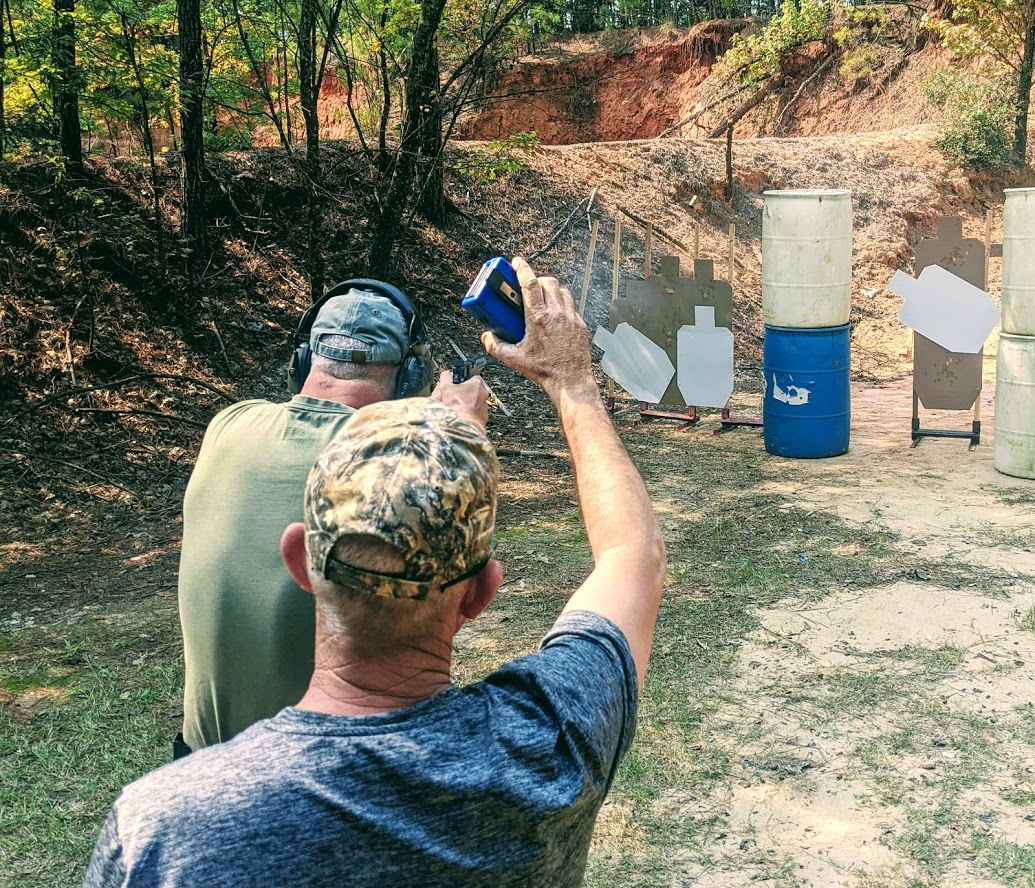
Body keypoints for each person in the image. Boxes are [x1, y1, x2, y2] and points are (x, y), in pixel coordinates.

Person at [85, 258, 666, 888]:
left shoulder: (163, 831)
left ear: (301, 561)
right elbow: (632, 556)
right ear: (481, 592)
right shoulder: (549, 746)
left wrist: (432, 427)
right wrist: (568, 382)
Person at [177, 278, 486, 754]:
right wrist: (456, 430)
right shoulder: (396, 464)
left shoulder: (230, 425)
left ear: (302, 360)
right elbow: (446, 582)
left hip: (198, 766)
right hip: (317, 772)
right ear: (410, 379)